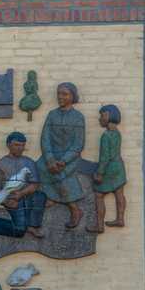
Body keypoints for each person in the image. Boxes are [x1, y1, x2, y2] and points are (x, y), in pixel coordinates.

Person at [35, 82, 85, 228]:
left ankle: (75, 210)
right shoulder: (52, 115)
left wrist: (63, 161)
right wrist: (50, 158)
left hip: (70, 158)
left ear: (72, 96)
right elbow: (45, 138)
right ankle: (53, 196)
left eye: (65, 94)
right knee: (39, 168)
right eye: (58, 93)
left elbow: (78, 144)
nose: (60, 97)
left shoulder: (78, 117)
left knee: (59, 174)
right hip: (51, 156)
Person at [0, 132, 46, 241]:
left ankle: (32, 226)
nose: (20, 148)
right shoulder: (0, 164)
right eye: (17, 145)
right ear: (8, 145)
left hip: (27, 195)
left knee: (40, 196)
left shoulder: (29, 162)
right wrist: (5, 201)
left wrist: (21, 193)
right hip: (11, 198)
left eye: (22, 145)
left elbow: (35, 183)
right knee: (19, 230)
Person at [86, 104, 127, 233]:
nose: (100, 118)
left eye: (102, 115)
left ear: (109, 116)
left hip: (109, 168)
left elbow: (104, 157)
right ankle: (120, 219)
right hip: (119, 166)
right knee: (119, 193)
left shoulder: (106, 135)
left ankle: (99, 226)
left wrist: (100, 173)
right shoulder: (117, 133)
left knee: (99, 195)